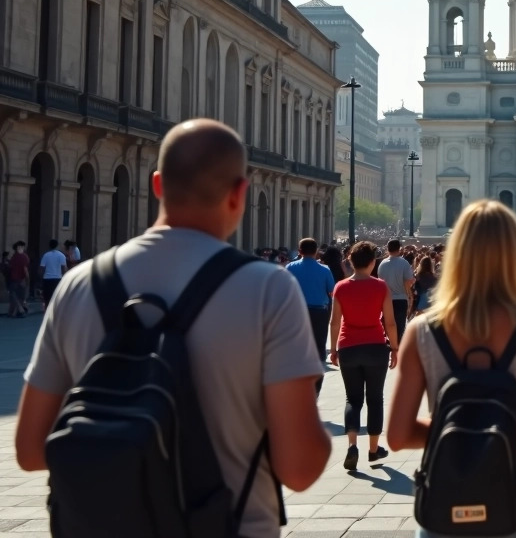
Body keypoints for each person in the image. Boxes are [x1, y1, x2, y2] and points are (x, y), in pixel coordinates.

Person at [15, 119, 330, 537]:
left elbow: (31, 450)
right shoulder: (268, 288)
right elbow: (301, 469)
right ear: (239, 194)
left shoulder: (79, 284)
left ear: (158, 184)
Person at [386, 200, 516, 537]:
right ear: (515, 255)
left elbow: (398, 436)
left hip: (448, 499)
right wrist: (504, 425)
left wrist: (461, 424)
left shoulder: (420, 331)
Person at [329, 240, 397, 472]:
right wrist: (395, 348)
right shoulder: (380, 287)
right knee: (375, 399)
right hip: (375, 347)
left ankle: (352, 445)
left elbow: (335, 321)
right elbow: (390, 322)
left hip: (348, 346)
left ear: (350, 261)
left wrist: (334, 349)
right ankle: (373, 448)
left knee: (352, 399)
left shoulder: (341, 287)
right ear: (372, 262)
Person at [285, 237, 336, 380]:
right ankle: (318, 367)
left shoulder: (290, 267)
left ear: (299, 251)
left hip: (297, 310)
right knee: (319, 340)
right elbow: (332, 291)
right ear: (317, 252)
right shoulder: (325, 270)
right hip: (320, 310)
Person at [378, 239, 415, 334]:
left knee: (388, 326)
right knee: (400, 327)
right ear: (400, 249)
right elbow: (409, 281)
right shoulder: (404, 263)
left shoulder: (382, 264)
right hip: (401, 299)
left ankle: (391, 344)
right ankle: (397, 346)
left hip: (386, 299)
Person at [39, 239, 68, 307]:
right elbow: (64, 268)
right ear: (57, 246)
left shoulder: (46, 255)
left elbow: (42, 268)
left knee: (47, 297)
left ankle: (48, 309)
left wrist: (41, 278)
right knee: (57, 296)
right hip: (58, 278)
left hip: (47, 279)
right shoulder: (61, 256)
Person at [7, 241, 29, 318]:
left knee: (13, 295)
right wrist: (27, 279)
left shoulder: (13, 257)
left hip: (13, 279)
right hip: (22, 279)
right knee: (20, 297)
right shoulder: (25, 257)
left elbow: (10, 268)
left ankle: (16, 311)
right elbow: (25, 269)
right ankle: (17, 311)